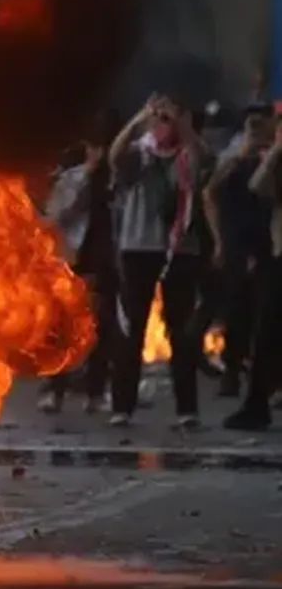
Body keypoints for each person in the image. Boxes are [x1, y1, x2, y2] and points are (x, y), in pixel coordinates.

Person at [106, 94, 206, 428]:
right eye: (159, 120)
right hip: (138, 247)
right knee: (131, 329)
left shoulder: (186, 154)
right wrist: (139, 120)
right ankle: (122, 406)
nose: (163, 126)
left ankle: (187, 409)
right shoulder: (141, 153)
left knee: (181, 331)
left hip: (179, 251)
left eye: (168, 120)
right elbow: (115, 157)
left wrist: (183, 126)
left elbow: (202, 161)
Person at [39, 124, 116, 414]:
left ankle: (95, 391)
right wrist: (86, 177)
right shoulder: (72, 179)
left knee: (102, 329)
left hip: (105, 261)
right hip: (72, 261)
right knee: (62, 327)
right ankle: (53, 389)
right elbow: (57, 216)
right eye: (96, 148)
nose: (102, 154)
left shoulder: (117, 178)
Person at [200, 103, 273, 397]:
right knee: (236, 307)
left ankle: (267, 378)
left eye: (260, 121)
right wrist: (218, 239)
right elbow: (209, 194)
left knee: (266, 311)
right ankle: (232, 369)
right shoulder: (233, 157)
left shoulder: (274, 155)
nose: (255, 128)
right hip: (237, 243)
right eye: (250, 123)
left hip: (268, 242)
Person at [225, 119, 282, 430]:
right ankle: (256, 405)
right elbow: (257, 186)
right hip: (278, 259)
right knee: (266, 334)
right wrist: (277, 150)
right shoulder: (276, 165)